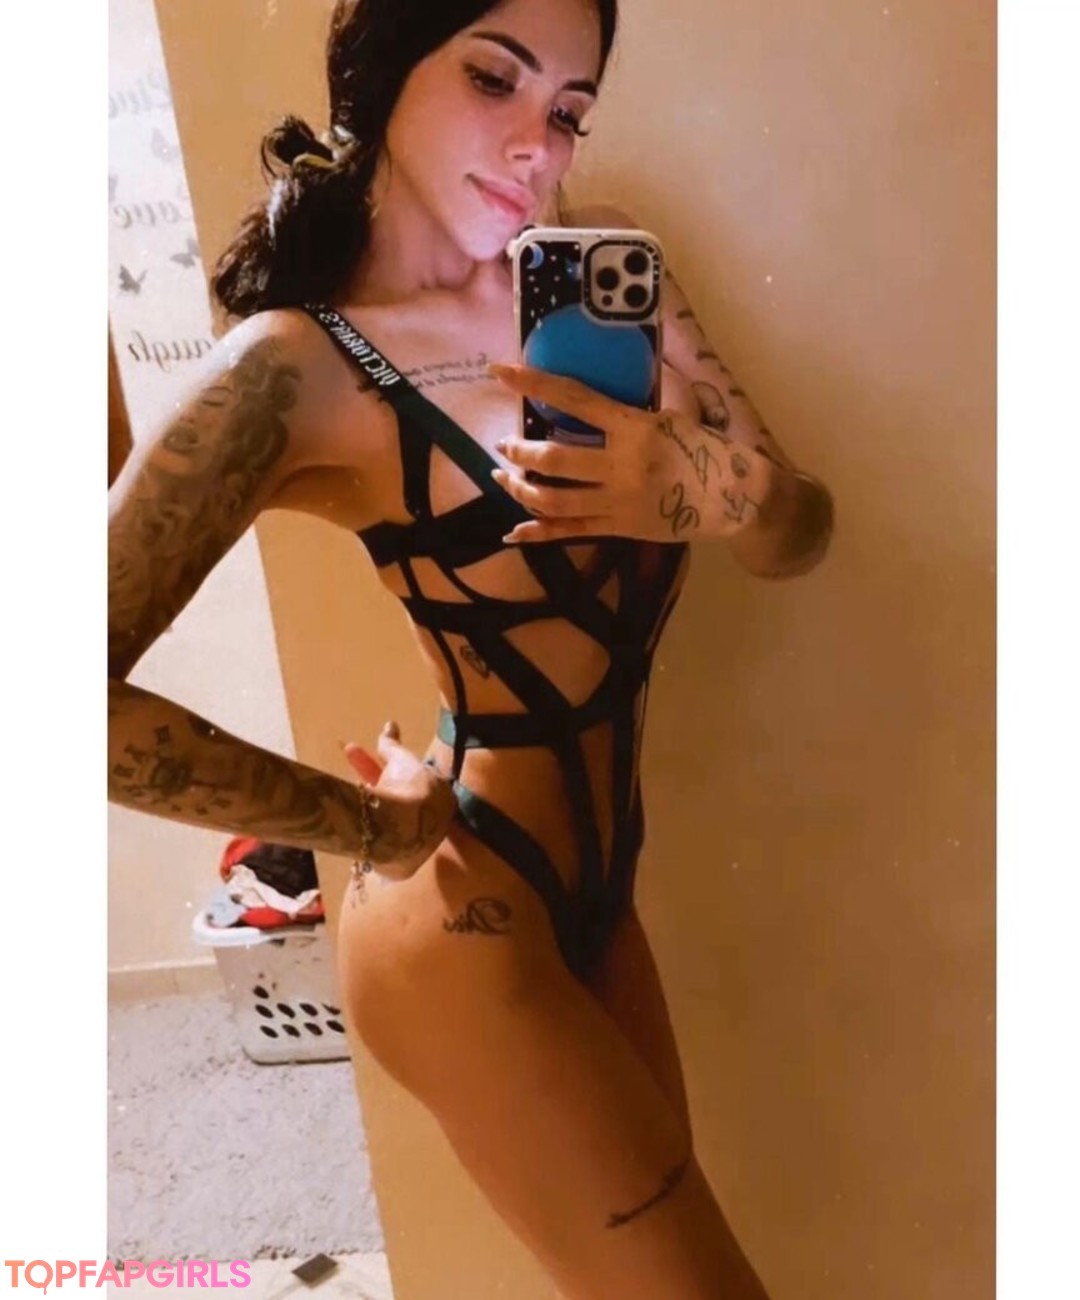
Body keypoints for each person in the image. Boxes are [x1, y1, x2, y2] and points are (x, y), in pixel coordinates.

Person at [107, 0, 833, 1294]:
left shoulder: (610, 280)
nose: (536, 144)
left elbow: (799, 531)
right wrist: (357, 824)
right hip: (464, 907)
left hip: (600, 894)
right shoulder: (298, 368)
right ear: (382, 75)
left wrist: (704, 489)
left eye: (570, 110)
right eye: (495, 79)